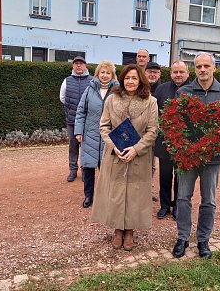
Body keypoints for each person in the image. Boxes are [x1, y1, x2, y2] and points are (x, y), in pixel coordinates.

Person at [172, 52, 220, 259]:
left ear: (214, 68)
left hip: (213, 158)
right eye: (199, 66)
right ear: (194, 69)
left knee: (208, 200)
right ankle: (182, 238)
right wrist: (181, 145)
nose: (202, 70)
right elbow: (173, 120)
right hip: (187, 156)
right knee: (183, 198)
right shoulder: (183, 91)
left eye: (206, 66)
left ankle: (203, 240)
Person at [91, 64, 158, 251]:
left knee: (135, 194)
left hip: (139, 156)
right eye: (127, 78)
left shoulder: (151, 102)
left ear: (140, 81)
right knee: (116, 192)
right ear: (122, 79)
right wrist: (114, 147)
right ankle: (117, 230)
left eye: (134, 78)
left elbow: (153, 130)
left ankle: (129, 230)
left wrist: (136, 149)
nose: (130, 81)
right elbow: (104, 127)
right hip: (115, 155)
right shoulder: (112, 100)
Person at [74, 61, 118, 208]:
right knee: (88, 167)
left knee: (107, 168)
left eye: (108, 73)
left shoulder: (118, 91)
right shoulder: (89, 89)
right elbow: (81, 111)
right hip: (90, 134)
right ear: (97, 74)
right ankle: (88, 196)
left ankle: (106, 197)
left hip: (109, 136)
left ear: (112, 75)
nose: (104, 76)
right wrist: (78, 131)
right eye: (102, 72)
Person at [154, 61, 190, 220]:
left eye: (181, 72)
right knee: (165, 176)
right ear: (171, 73)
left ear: (188, 73)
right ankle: (164, 205)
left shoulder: (193, 90)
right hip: (164, 142)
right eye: (175, 72)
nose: (178, 75)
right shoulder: (161, 89)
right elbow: (154, 113)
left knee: (181, 178)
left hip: (185, 143)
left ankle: (177, 206)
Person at [59, 56, 92, 182]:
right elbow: (62, 97)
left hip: (87, 121)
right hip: (72, 120)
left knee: (86, 146)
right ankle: (73, 171)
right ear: (73, 66)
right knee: (73, 146)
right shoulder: (67, 80)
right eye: (76, 63)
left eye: (81, 63)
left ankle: (85, 171)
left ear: (85, 66)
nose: (79, 66)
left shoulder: (92, 80)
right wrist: (71, 109)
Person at [145, 61, 162, 201]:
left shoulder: (163, 89)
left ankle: (147, 190)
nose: (152, 74)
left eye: (155, 72)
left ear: (159, 74)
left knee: (151, 164)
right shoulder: (138, 86)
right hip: (139, 132)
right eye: (150, 71)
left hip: (155, 133)